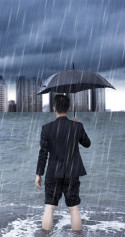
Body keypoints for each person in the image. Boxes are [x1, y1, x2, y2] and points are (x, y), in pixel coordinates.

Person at [35, 94, 91, 233]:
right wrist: (78, 128)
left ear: (54, 108)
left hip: (53, 172)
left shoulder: (46, 128)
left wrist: (39, 174)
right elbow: (87, 144)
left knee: (49, 207)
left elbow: (43, 153)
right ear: (69, 108)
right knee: (73, 208)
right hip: (72, 173)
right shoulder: (77, 126)